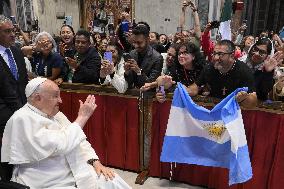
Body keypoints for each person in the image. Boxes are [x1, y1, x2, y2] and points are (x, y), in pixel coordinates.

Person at [1, 77, 132, 189]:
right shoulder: (22, 119)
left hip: (74, 171)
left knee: (113, 180)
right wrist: (82, 117)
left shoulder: (55, 114)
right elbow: (60, 144)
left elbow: (80, 141)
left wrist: (95, 161)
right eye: (55, 96)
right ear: (37, 98)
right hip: (49, 181)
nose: (60, 101)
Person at [151, 40, 258, 109]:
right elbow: (194, 88)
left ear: (232, 55)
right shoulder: (210, 68)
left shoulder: (244, 71)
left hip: (234, 116)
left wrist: (243, 99)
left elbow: (253, 101)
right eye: (214, 53)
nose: (216, 58)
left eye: (220, 54)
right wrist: (181, 89)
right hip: (213, 111)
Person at [0, 15, 28, 181]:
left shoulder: (17, 52)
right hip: (3, 116)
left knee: (21, 155)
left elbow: (22, 83)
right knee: (6, 158)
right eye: (7, 31)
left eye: (13, 31)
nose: (12, 35)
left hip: (22, 112)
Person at [124, 23, 163, 89]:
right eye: (134, 42)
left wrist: (139, 71)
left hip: (149, 96)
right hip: (134, 93)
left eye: (139, 43)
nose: (136, 46)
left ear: (148, 40)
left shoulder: (157, 58)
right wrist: (127, 72)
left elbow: (151, 84)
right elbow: (129, 82)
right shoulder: (132, 53)